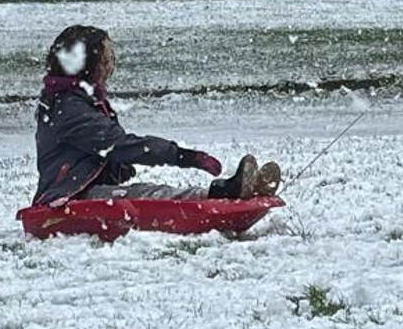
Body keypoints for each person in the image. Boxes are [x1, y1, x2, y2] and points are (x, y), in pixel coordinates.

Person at [34, 24, 282, 207]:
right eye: (105, 60)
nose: (111, 67)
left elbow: (102, 153)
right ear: (86, 65)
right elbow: (119, 145)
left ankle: (233, 191)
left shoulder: (81, 101)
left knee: (138, 193)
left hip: (81, 193)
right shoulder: (70, 108)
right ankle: (221, 194)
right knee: (144, 196)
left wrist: (119, 169)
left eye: (112, 59)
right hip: (64, 202)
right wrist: (181, 156)